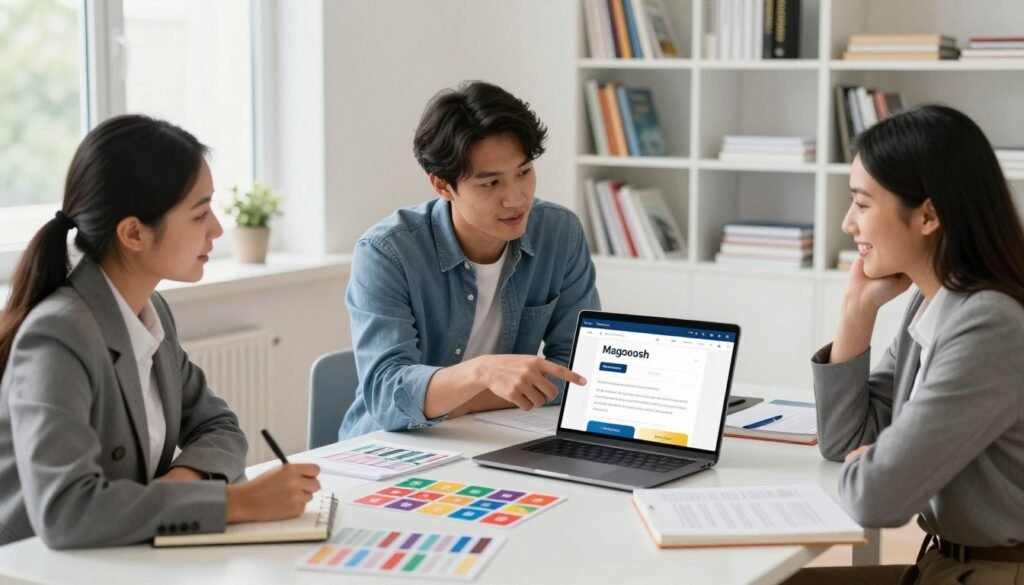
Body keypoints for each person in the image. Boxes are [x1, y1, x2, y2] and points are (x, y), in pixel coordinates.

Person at [0, 115, 320, 549]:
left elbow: (220, 426)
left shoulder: (151, 313)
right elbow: (66, 511)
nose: (217, 230)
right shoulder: (58, 334)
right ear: (133, 233)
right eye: (200, 214)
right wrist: (235, 503)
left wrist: (180, 486)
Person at [785, 105, 1024, 584]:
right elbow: (846, 441)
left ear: (928, 215)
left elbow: (878, 498)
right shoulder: (934, 303)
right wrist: (857, 311)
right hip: (945, 563)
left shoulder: (990, 326)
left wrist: (873, 462)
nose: (848, 224)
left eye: (863, 203)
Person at [339, 81, 601, 439]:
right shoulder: (387, 252)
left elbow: (579, 373)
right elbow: (388, 398)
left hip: (495, 436)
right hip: (394, 448)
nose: (515, 199)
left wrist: (453, 399)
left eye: (523, 173)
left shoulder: (559, 233)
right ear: (442, 186)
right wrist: (484, 373)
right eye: (490, 184)